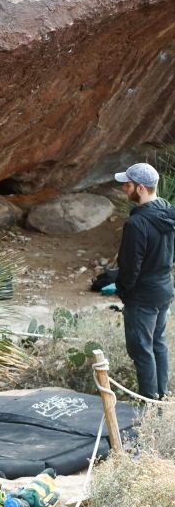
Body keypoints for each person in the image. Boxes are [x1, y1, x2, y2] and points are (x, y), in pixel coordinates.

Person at [115, 162, 175, 400]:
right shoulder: (169, 213)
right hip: (164, 289)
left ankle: (149, 402)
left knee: (141, 349)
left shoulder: (137, 223)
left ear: (140, 188)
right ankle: (163, 396)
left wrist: (123, 290)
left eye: (127, 185)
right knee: (158, 343)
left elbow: (130, 267)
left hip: (142, 296)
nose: (123, 189)